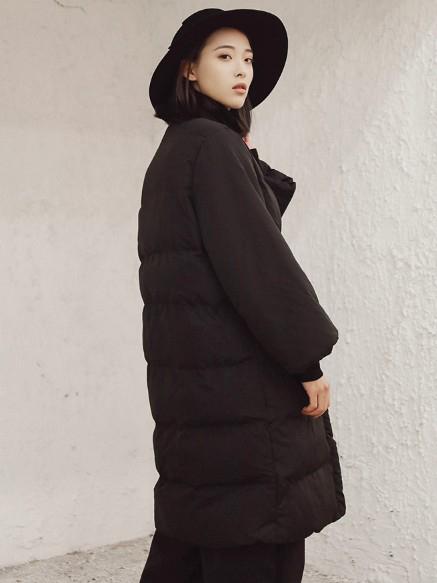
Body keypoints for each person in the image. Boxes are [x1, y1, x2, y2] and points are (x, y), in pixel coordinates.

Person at [137, 8, 346, 583]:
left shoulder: (180, 148)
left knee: (193, 543)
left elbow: (224, 246)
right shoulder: (211, 146)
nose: (242, 70)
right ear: (189, 69)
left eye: (248, 59)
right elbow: (257, 264)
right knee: (257, 545)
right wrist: (306, 361)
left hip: (197, 393)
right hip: (243, 394)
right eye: (224, 56)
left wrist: (246, 157)